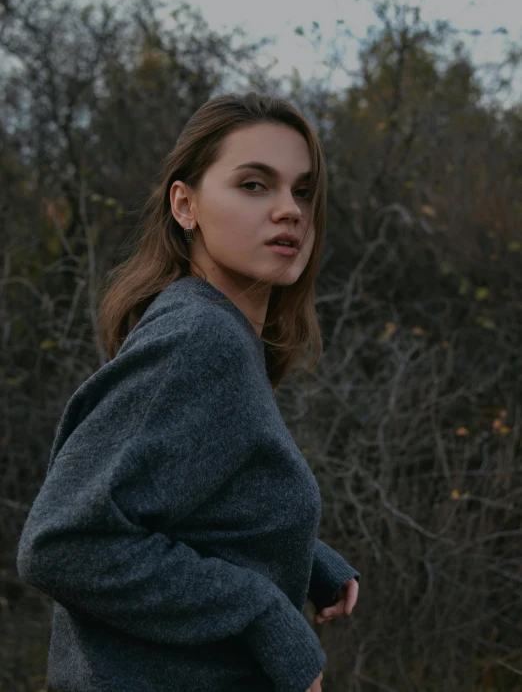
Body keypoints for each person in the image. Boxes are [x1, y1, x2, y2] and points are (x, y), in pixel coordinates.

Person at [16, 92, 360, 691]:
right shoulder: (202, 341)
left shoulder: (219, 332)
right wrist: (266, 615)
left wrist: (304, 558)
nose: (290, 211)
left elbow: (183, 504)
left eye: (302, 191)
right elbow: (64, 542)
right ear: (185, 204)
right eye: (255, 185)